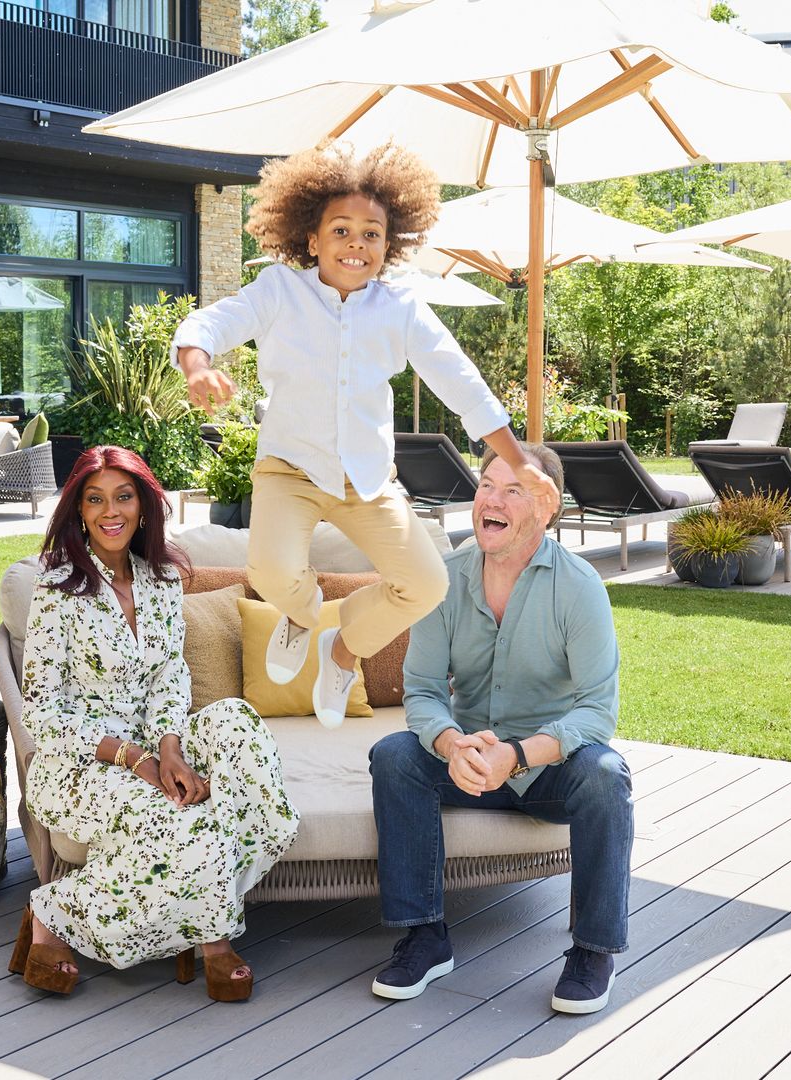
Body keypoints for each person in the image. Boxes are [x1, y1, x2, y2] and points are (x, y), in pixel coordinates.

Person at [171, 143, 561, 728]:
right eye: (342, 230)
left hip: (368, 480)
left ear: (390, 244)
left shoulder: (401, 305)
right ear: (312, 239)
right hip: (289, 471)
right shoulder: (280, 291)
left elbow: (462, 382)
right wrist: (198, 364)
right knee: (272, 573)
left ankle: (342, 649)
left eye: (372, 233)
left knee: (426, 585)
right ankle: (303, 615)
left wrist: (519, 462)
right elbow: (213, 323)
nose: (357, 243)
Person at [12, 445, 299, 1002]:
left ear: (144, 505)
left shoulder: (162, 580)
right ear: (78, 511)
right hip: (79, 764)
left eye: (123, 496)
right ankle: (59, 915)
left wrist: (169, 749)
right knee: (180, 817)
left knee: (238, 727)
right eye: (95, 500)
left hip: (152, 741)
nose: (109, 511)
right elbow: (41, 712)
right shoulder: (56, 587)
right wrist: (134, 758)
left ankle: (191, 921)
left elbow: (171, 676)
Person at [367, 444, 632, 1015]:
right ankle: (424, 937)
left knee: (606, 775)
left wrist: (516, 755)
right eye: (487, 484)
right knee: (394, 756)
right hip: (467, 762)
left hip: (547, 770)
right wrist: (450, 743)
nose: (491, 499)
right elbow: (423, 691)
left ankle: (592, 952)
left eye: (513, 490)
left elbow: (596, 712)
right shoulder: (446, 580)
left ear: (546, 506)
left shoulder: (579, 586)